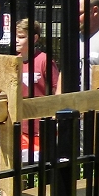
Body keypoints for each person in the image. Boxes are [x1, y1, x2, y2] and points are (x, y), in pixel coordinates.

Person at [15, 19, 58, 161]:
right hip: (22, 126)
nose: (16, 40)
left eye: (21, 37)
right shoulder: (14, 61)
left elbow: (56, 89)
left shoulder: (44, 60)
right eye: (15, 36)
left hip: (42, 126)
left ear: (34, 38)